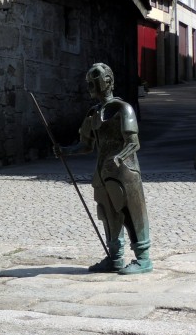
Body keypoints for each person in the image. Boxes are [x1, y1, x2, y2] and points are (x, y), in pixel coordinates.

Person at [56, 62, 152, 275]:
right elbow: (86, 145)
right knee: (108, 216)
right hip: (102, 174)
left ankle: (143, 259)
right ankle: (115, 258)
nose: (91, 84)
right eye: (89, 80)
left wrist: (119, 157)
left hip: (125, 173)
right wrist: (65, 150)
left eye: (95, 78)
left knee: (130, 214)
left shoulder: (122, 109)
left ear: (108, 81)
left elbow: (133, 142)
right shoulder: (93, 113)